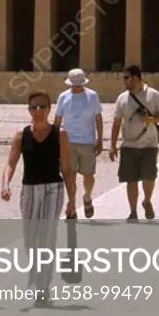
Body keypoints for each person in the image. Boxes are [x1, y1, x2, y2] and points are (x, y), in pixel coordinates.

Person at [1, 91, 76, 306]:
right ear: (28, 110)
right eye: (33, 107)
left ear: (49, 109)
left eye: (42, 106)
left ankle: (43, 285)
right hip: (30, 189)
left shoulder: (59, 133)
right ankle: (35, 277)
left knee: (46, 235)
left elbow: (67, 167)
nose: (38, 111)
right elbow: (11, 162)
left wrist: (72, 199)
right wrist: (6, 184)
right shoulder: (21, 134)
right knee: (30, 238)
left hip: (54, 188)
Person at [110, 65, 159, 221]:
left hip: (149, 144)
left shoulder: (153, 95)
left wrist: (151, 120)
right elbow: (116, 123)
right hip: (129, 145)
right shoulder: (122, 98)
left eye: (126, 77)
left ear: (135, 78)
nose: (124, 81)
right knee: (131, 179)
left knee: (149, 177)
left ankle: (147, 201)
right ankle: (133, 212)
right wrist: (112, 145)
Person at [54, 68, 103, 219]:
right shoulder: (63, 97)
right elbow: (57, 120)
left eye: (78, 85)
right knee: (70, 175)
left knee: (89, 174)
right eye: (74, 85)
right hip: (68, 141)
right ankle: (72, 205)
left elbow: (98, 118)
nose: (76, 87)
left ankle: (87, 197)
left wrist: (100, 139)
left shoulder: (92, 96)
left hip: (87, 141)